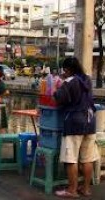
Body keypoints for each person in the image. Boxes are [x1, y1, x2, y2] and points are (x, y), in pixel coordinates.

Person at [53, 57, 99, 198]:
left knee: (70, 158)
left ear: (67, 69)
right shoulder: (87, 80)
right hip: (90, 122)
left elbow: (58, 97)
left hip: (74, 122)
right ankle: (85, 189)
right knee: (87, 158)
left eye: (64, 70)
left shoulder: (69, 81)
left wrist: (57, 86)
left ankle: (72, 190)